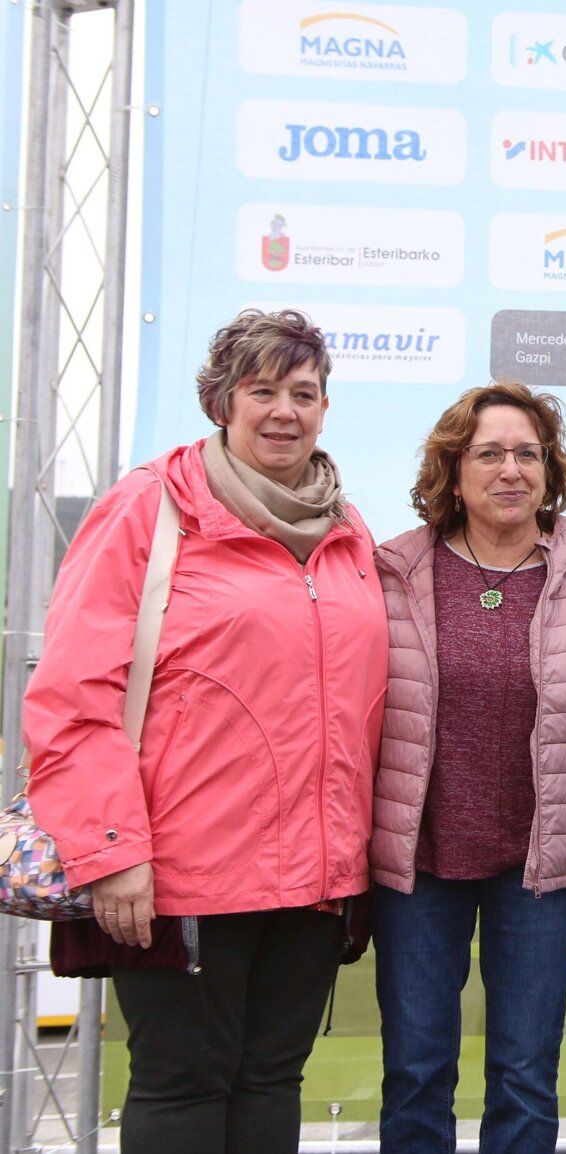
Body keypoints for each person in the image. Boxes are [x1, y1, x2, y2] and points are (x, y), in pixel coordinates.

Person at [24, 309, 388, 1154]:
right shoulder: (146, 509)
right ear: (221, 401)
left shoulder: (343, 525)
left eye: (303, 393)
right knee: (183, 1090)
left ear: (326, 408)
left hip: (314, 878)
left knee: (270, 1081)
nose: (283, 411)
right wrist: (112, 851)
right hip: (176, 878)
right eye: (261, 390)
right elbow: (73, 694)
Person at [367, 381, 566, 1153]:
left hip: (542, 872)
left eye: (527, 453)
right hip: (417, 868)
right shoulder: (390, 573)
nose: (510, 470)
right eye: (488, 453)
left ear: (550, 469)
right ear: (452, 470)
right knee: (416, 1069)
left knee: (526, 1074)